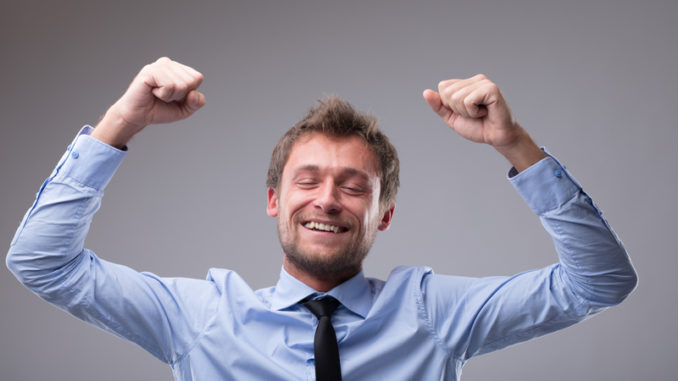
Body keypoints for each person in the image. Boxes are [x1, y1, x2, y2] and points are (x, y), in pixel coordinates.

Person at [6, 57, 637, 380]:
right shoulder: (199, 319)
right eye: (306, 181)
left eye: (354, 186)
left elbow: (599, 283)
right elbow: (42, 263)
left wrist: (515, 145)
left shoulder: (434, 314)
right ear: (275, 200)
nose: (327, 199)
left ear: (382, 216)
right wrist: (122, 123)